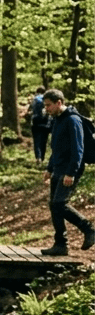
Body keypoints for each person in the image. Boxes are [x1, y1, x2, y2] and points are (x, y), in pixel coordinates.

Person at [40, 89, 95, 256]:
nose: (46, 109)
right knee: (54, 206)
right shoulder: (57, 120)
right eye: (45, 106)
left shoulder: (73, 120)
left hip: (71, 169)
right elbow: (56, 148)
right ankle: (60, 244)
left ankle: (89, 229)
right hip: (58, 168)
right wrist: (50, 169)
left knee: (59, 204)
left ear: (59, 103)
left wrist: (71, 172)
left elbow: (78, 150)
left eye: (49, 105)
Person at [30, 86, 51, 165]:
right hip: (45, 124)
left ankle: (38, 157)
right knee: (43, 141)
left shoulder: (35, 99)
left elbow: (30, 110)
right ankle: (42, 157)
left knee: (36, 141)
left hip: (35, 123)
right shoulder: (46, 100)